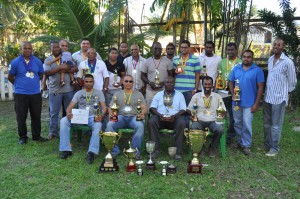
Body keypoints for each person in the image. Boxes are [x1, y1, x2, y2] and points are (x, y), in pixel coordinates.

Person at [59, 74, 107, 164]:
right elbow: (70, 107)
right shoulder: (79, 93)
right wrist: (69, 113)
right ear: (83, 82)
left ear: (94, 82)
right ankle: (66, 149)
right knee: (63, 121)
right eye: (86, 81)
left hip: (93, 117)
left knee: (98, 125)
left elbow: (104, 107)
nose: (88, 83)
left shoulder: (99, 92)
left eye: (90, 81)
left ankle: (91, 152)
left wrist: (101, 115)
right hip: (80, 116)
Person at [8, 41, 48, 144]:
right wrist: (19, 85)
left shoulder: (37, 61)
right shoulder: (15, 62)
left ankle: (36, 136)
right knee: (21, 117)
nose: (27, 50)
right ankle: (23, 137)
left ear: (32, 50)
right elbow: (10, 77)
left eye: (29, 48)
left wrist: (32, 82)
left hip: (35, 93)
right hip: (20, 94)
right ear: (20, 49)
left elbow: (40, 74)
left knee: (36, 116)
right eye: (25, 48)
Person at [263, 38, 297, 157]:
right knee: (267, 123)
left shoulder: (288, 62)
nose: (276, 46)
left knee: (276, 125)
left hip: (279, 98)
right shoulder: (270, 59)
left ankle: (274, 148)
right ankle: (267, 144)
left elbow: (292, 82)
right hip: (268, 97)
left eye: (279, 45)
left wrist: (285, 94)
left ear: (283, 47)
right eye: (275, 44)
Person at [229, 50, 264, 155]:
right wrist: (233, 94)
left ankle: (247, 145)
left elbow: (261, 87)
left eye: (248, 57)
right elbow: (230, 82)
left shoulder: (257, 70)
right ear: (242, 57)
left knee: (247, 124)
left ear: (252, 58)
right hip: (236, 103)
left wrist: (257, 103)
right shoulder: (236, 68)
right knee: (238, 123)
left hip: (250, 103)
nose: (246, 59)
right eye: (244, 56)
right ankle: (240, 142)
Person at [105, 75, 147, 159]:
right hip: (121, 117)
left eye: (130, 81)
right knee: (110, 124)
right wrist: (111, 113)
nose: (128, 83)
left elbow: (144, 108)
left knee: (140, 125)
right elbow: (110, 107)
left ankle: (135, 151)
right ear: (122, 82)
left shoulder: (138, 94)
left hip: (134, 117)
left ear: (133, 83)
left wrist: (142, 113)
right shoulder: (117, 94)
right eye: (126, 81)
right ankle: (114, 150)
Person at [187, 76, 226, 158]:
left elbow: (223, 110)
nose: (207, 86)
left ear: (212, 85)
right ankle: (201, 148)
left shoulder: (217, 96)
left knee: (219, 129)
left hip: (213, 121)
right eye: (205, 84)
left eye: (209, 84)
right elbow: (189, 109)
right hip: (199, 120)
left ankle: (212, 147)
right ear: (202, 85)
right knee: (194, 127)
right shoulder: (196, 96)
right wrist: (191, 115)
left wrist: (222, 114)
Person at [148, 76, 186, 159]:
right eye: (167, 82)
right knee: (151, 121)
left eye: (171, 82)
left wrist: (174, 116)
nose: (169, 84)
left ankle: (178, 152)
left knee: (182, 122)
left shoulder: (180, 95)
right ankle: (155, 150)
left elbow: (183, 109)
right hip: (160, 118)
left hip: (174, 118)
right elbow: (152, 108)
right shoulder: (159, 94)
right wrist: (159, 115)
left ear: (174, 84)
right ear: (164, 84)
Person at [44, 41, 76, 140]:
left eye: (58, 47)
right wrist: (60, 68)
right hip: (55, 90)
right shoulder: (48, 60)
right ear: (51, 49)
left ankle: (70, 129)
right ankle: (53, 132)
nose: (57, 48)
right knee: (54, 112)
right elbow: (47, 72)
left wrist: (66, 69)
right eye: (54, 47)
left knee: (69, 111)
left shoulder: (66, 57)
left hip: (68, 89)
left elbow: (75, 68)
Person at [218, 42, 242, 144]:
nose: (230, 52)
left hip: (234, 93)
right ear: (226, 51)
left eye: (232, 50)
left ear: (236, 50)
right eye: (228, 50)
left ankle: (230, 136)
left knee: (233, 116)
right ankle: (218, 134)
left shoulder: (241, 62)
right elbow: (219, 76)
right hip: (222, 93)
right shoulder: (222, 62)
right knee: (220, 114)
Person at [141, 42, 173, 108]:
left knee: (163, 108)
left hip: (163, 90)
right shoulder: (147, 61)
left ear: (161, 49)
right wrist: (149, 83)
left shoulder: (167, 61)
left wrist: (164, 82)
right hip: (150, 91)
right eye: (155, 48)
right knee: (150, 109)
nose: (157, 50)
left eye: (159, 48)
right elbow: (142, 75)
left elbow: (171, 75)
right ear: (152, 49)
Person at [173, 40, 201, 106]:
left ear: (189, 48)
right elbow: (173, 74)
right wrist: (175, 71)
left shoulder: (195, 59)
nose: (183, 49)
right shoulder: (175, 59)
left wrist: (195, 89)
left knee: (188, 111)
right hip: (177, 89)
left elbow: (197, 75)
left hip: (189, 90)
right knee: (178, 110)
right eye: (182, 47)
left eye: (185, 47)